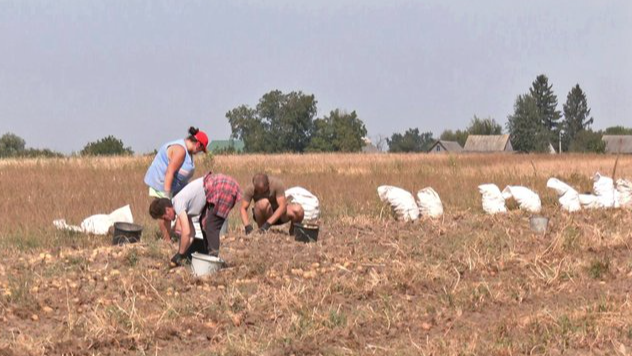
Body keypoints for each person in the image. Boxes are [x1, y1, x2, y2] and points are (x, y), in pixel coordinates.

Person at [149, 172, 241, 267]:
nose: (168, 220)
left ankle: (213, 261)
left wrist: (180, 254)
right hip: (217, 188)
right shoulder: (183, 207)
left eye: (165, 218)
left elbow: (186, 232)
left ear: (167, 210)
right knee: (204, 223)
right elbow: (192, 234)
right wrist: (182, 253)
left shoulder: (178, 203)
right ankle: (207, 257)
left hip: (221, 187)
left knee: (210, 226)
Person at [144, 127, 209, 242]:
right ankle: (167, 240)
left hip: (174, 185)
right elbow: (169, 172)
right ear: (198, 144)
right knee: (165, 211)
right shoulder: (181, 150)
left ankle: (181, 235)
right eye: (201, 149)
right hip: (162, 183)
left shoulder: (187, 152)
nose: (199, 152)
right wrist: (167, 198)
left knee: (181, 208)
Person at [240, 173, 304, 234]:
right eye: (258, 190)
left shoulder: (277, 184)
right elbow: (243, 208)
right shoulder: (250, 189)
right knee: (263, 203)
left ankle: (293, 233)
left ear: (268, 185)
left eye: (262, 190)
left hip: (279, 214)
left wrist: (268, 223)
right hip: (263, 215)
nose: (260, 192)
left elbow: (282, 206)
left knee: (298, 210)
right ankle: (262, 231)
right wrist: (247, 226)